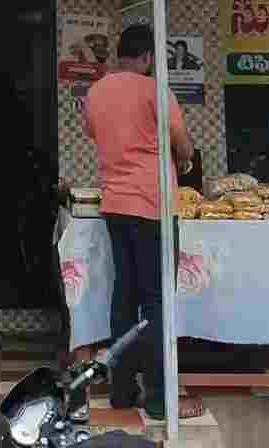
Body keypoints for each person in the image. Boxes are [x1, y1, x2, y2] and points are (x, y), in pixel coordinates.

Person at [83, 24, 204, 422]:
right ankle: (158, 400)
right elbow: (182, 142)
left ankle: (121, 391)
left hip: (114, 203)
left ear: (120, 54)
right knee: (156, 301)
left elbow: (94, 135)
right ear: (149, 58)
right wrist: (182, 157)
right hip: (152, 204)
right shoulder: (156, 89)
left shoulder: (96, 91)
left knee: (124, 297)